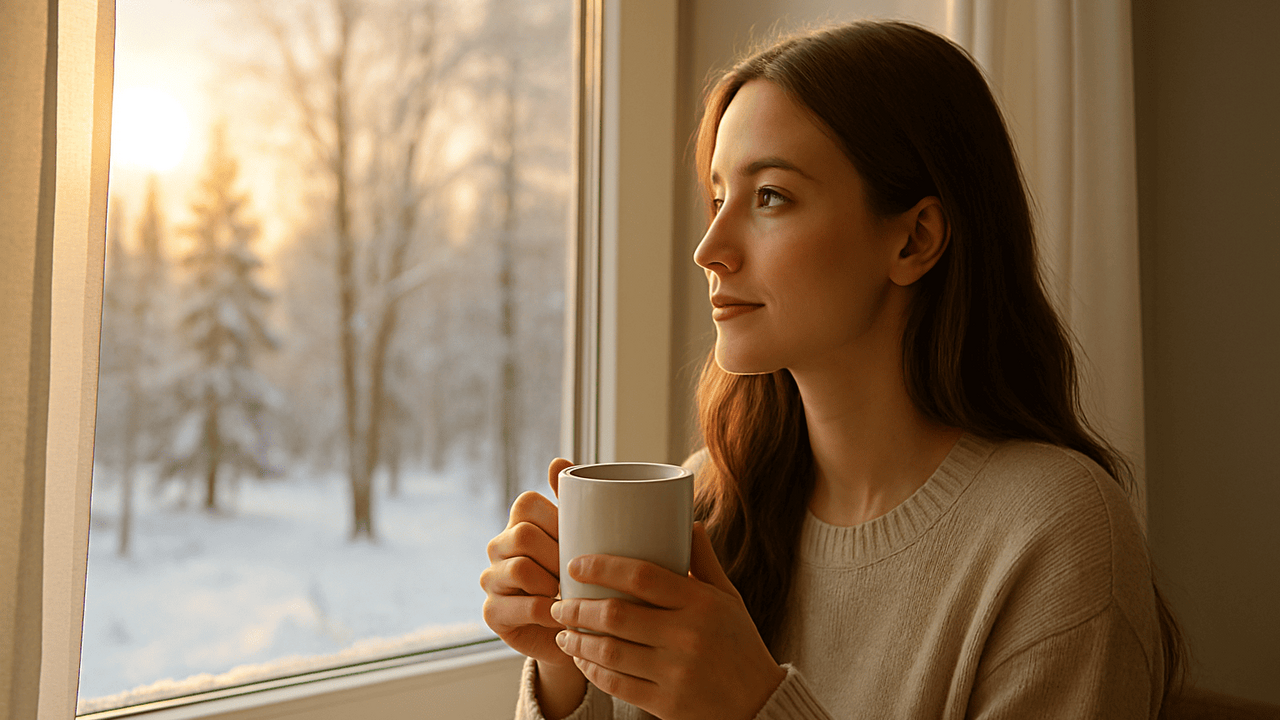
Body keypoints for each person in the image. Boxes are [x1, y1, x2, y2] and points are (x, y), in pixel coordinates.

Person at [480, 19, 1184, 720]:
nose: (710, 247)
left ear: (915, 239)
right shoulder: (707, 501)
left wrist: (753, 706)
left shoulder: (1056, 537)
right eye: (720, 197)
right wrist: (562, 667)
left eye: (770, 197)